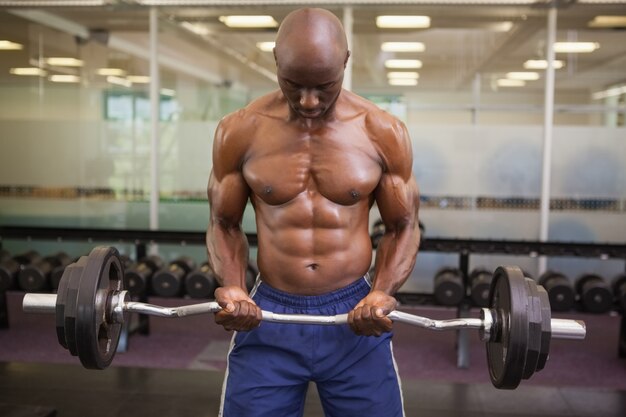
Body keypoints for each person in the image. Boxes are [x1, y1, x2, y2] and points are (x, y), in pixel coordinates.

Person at [206, 7, 420, 417]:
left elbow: (403, 225)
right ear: (275, 61)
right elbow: (223, 222)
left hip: (355, 315)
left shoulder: (383, 132)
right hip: (268, 313)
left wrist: (382, 291)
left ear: (345, 62)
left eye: (324, 86)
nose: (308, 100)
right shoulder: (240, 130)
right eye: (293, 84)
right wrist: (232, 284)